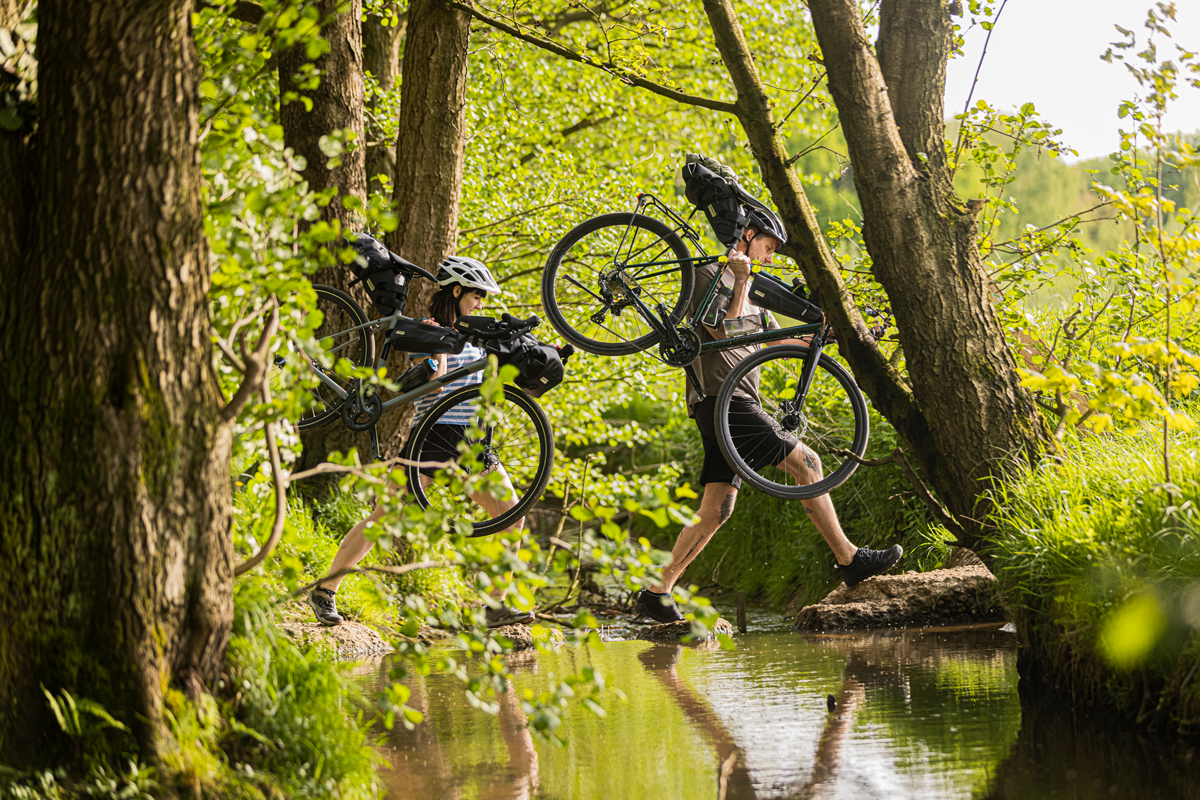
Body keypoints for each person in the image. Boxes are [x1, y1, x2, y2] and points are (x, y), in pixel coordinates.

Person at [632, 207, 903, 623]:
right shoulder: (710, 277)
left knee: (716, 510)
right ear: (746, 236)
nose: (770, 258)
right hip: (723, 399)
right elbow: (724, 331)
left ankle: (657, 591)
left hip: (731, 402)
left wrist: (828, 336)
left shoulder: (752, 289)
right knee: (807, 461)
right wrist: (741, 279)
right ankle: (850, 561)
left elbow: (771, 339)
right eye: (768, 247)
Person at [308, 255, 535, 628]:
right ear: (457, 291)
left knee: (512, 515)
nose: (482, 303)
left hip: (471, 442)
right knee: (384, 517)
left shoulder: (476, 337)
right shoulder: (427, 330)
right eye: (477, 295)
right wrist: (440, 347)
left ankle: (493, 607)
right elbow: (438, 384)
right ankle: (325, 592)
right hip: (433, 436)